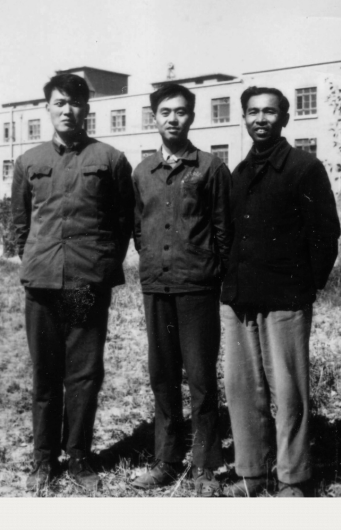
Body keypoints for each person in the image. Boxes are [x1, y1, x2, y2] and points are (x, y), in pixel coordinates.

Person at [11, 73, 134, 491]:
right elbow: (21, 223)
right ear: (47, 107)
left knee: (82, 373)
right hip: (43, 284)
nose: (67, 110)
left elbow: (122, 223)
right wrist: (36, 260)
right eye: (60, 102)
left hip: (84, 284)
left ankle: (79, 457)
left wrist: (100, 265)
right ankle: (44, 460)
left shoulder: (110, 159)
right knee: (46, 374)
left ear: (87, 109)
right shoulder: (29, 161)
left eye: (75, 103)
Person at [221, 86, 340, 497]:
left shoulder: (305, 168)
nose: (261, 119)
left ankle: (293, 477)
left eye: (270, 112)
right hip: (239, 299)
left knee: (289, 393)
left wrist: (303, 286)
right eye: (253, 111)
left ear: (284, 118)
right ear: (244, 117)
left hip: (285, 298)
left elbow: (326, 234)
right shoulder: (238, 172)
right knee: (242, 390)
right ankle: (252, 474)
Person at [131, 83, 232, 496]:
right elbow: (139, 230)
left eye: (181, 111)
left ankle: (206, 465)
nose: (173, 119)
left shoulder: (211, 168)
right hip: (157, 287)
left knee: (201, 377)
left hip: (197, 288)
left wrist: (207, 270)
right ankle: (167, 460)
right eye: (165, 112)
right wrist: (157, 262)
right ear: (154, 118)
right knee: (163, 376)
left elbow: (224, 230)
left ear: (192, 116)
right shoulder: (142, 172)